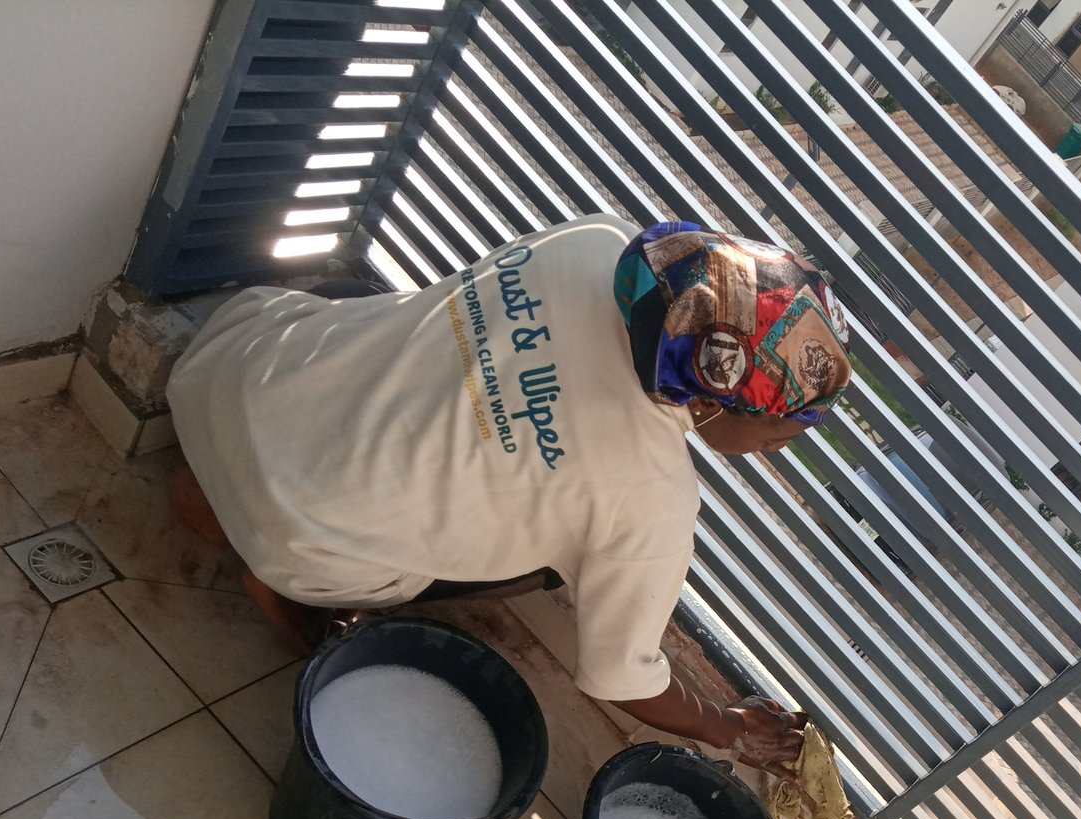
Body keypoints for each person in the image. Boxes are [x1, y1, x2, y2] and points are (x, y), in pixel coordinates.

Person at [166, 214, 853, 780]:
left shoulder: (592, 245)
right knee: (553, 561)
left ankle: (213, 480)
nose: (783, 444)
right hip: (293, 538)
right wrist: (724, 725)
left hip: (232, 370)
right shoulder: (651, 502)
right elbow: (620, 675)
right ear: (718, 395)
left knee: (370, 302)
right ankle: (299, 591)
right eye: (781, 429)